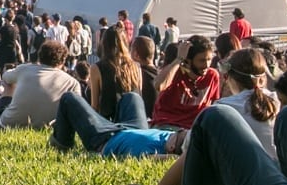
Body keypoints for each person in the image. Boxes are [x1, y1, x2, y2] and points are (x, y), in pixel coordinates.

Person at [51, 91, 182, 158]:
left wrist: (173, 157)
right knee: (132, 96)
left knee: (70, 98)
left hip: (106, 138)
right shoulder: (178, 138)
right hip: (136, 129)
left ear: (171, 148)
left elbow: (164, 160)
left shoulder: (151, 153)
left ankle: (61, 143)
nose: (180, 130)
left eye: (179, 134)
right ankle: (109, 120)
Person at [0, 40, 79, 128]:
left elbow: (5, 76)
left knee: (9, 84)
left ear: (40, 55)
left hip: (8, 125)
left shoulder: (24, 69)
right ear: (63, 61)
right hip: (50, 127)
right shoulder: (72, 83)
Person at [150, 36, 220, 130]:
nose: (207, 65)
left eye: (209, 60)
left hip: (196, 129)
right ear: (188, 61)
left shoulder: (212, 75)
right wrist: (179, 59)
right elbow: (159, 85)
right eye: (202, 60)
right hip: (169, 125)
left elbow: (214, 105)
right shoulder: (174, 73)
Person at [88, 26, 143, 124]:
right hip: (133, 122)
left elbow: (95, 105)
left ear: (104, 43)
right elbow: (139, 95)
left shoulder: (97, 68)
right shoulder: (136, 67)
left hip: (109, 124)